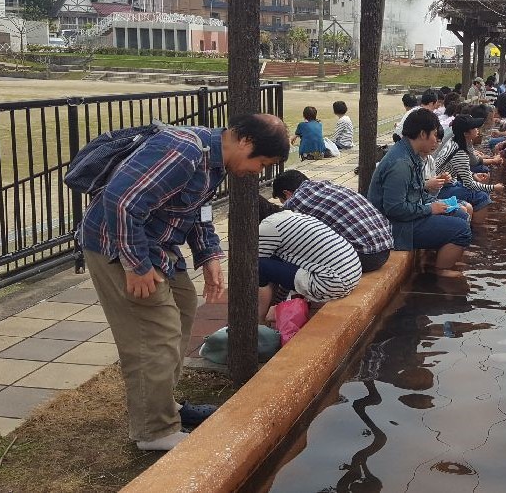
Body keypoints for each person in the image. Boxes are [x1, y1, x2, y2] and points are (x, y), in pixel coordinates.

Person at [79, 114, 289, 451]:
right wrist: (135, 265)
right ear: (245, 142)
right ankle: (154, 430)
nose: (258, 172)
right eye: (261, 163)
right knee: (155, 332)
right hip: (117, 245)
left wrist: (209, 257)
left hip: (155, 245)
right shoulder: (183, 150)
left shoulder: (213, 162)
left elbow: (198, 213)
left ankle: (163, 403)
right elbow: (121, 201)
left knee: (183, 307)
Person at [367, 108, 472, 278]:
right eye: (434, 135)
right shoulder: (401, 163)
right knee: (462, 230)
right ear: (423, 134)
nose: (436, 140)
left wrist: (434, 204)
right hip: (396, 228)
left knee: (460, 214)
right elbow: (394, 209)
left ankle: (439, 258)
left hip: (405, 219)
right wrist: (430, 209)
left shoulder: (410, 154)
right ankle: (438, 273)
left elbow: (415, 193)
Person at [256, 198, 362, 321]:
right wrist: (279, 304)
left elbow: (259, 270)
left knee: (259, 267)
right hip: (352, 274)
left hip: (332, 283)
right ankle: (267, 312)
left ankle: (258, 319)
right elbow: (283, 269)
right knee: (270, 264)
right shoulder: (291, 216)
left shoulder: (267, 228)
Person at [272, 170, 394, 272]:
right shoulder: (326, 186)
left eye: (281, 200)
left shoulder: (295, 202)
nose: (283, 203)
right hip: (385, 249)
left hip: (364, 257)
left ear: (286, 193)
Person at [437, 115, 505, 223]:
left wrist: (473, 175)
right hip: (441, 189)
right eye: (474, 128)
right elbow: (470, 184)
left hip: (448, 184)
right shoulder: (460, 152)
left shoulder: (454, 143)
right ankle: (478, 229)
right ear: (465, 133)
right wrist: (494, 187)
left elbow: (458, 168)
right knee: (482, 196)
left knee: (481, 191)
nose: (477, 130)